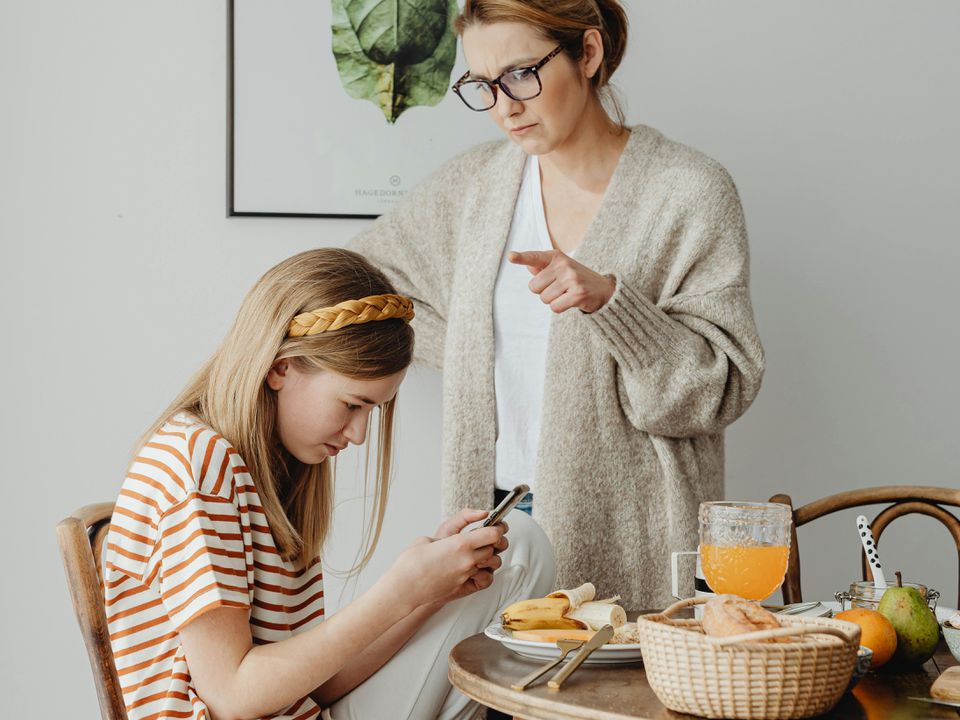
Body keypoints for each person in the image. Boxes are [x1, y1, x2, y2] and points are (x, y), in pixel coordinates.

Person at [350, 0, 765, 610]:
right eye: (482, 85)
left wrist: (614, 307)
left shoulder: (689, 191)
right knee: (495, 697)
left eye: (521, 74)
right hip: (494, 528)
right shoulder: (476, 185)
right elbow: (359, 280)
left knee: (612, 698)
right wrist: (471, 345)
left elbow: (716, 391)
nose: (504, 106)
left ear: (588, 54)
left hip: (633, 532)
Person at [103, 248, 555, 720]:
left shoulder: (268, 471)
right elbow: (231, 697)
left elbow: (317, 685)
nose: (359, 435)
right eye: (352, 404)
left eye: (372, 411)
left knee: (516, 547)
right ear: (281, 368)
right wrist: (398, 590)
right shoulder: (199, 463)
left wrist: (430, 593)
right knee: (520, 547)